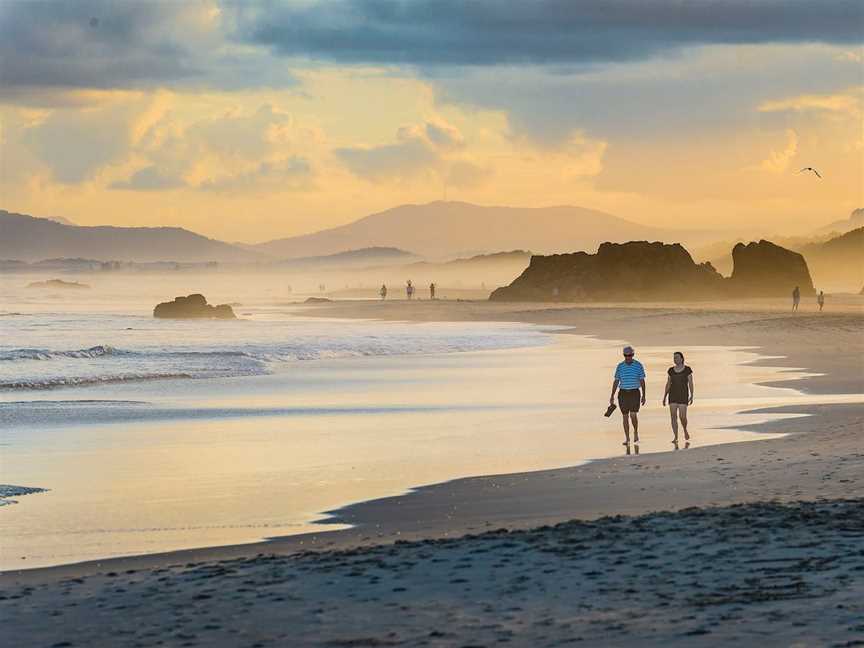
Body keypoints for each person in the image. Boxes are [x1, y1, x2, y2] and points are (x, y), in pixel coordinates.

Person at [609, 345, 646, 446]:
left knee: (633, 415)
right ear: (623, 355)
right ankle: (627, 438)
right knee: (625, 416)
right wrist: (612, 395)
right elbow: (616, 381)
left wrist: (644, 395)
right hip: (623, 393)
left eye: (630, 355)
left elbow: (642, 380)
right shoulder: (620, 366)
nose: (628, 357)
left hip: (635, 392)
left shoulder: (638, 365)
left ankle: (635, 432)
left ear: (633, 355)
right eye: (626, 355)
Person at [663, 351, 694, 444]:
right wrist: (664, 396)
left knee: (682, 417)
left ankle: (685, 429)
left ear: (681, 358)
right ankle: (675, 437)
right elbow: (668, 383)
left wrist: (692, 395)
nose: (675, 359)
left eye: (676, 357)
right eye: (674, 358)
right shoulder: (671, 370)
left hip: (683, 396)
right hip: (672, 395)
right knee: (673, 416)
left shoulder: (687, 369)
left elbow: (691, 383)